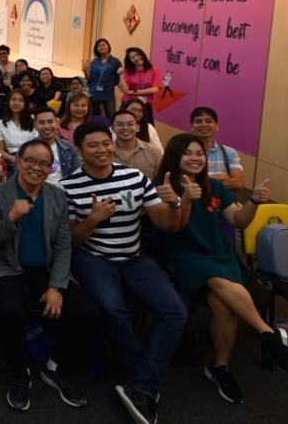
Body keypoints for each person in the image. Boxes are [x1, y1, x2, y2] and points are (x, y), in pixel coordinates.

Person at [61, 122, 188, 424]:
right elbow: (71, 241)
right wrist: (92, 220)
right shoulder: (68, 186)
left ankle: (140, 385)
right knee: (113, 309)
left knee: (175, 312)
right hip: (94, 259)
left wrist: (175, 204)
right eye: (93, 145)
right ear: (79, 150)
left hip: (133, 257)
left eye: (106, 143)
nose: (102, 150)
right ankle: (141, 379)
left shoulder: (134, 177)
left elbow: (166, 224)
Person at [155, 134, 288, 404]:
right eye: (188, 153)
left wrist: (253, 201)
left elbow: (238, 220)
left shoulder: (215, 187)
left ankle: (220, 366)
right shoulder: (163, 186)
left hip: (219, 254)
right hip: (184, 258)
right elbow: (172, 227)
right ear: (174, 156)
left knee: (223, 304)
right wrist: (184, 200)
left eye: (199, 153)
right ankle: (266, 333)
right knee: (217, 280)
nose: (196, 158)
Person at [0, 139, 95, 412]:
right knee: (10, 311)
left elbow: (63, 245)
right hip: (9, 268)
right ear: (18, 162)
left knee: (87, 312)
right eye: (30, 160)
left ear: (50, 168)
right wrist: (11, 218)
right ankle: (20, 372)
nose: (36, 167)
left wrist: (57, 286)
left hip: (47, 270)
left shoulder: (57, 196)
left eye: (44, 163)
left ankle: (55, 367)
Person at [190, 107, 244, 191]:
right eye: (198, 121)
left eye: (208, 121)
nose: (203, 124)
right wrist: (218, 179)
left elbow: (238, 183)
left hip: (222, 199)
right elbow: (180, 181)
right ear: (192, 127)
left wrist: (200, 181)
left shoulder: (229, 152)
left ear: (217, 126)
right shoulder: (182, 151)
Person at [32, 107, 80, 187]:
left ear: (57, 123)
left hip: (64, 191)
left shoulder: (69, 148)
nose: (46, 126)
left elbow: (77, 176)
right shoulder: (26, 149)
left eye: (50, 122)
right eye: (41, 123)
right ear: (35, 125)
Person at [0, 89, 38, 169]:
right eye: (13, 99)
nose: (16, 103)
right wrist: (13, 159)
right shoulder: (1, 124)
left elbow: (38, 145)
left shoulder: (33, 122)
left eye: (20, 100)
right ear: (9, 102)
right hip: (11, 159)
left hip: (31, 157)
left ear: (25, 104)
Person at [112, 110, 162, 180]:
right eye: (120, 124)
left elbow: (160, 180)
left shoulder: (154, 152)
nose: (126, 128)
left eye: (130, 124)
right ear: (113, 128)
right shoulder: (106, 153)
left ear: (137, 127)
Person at [120, 47, 162, 125]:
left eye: (137, 55)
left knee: (146, 127)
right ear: (130, 60)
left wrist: (134, 92)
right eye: (132, 57)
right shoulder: (128, 71)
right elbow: (125, 90)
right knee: (125, 125)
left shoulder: (154, 70)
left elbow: (155, 89)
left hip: (145, 104)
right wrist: (121, 75)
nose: (136, 58)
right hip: (128, 103)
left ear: (142, 55)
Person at [83, 39, 122, 117]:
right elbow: (89, 80)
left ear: (108, 46)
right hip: (94, 94)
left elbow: (117, 81)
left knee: (111, 117)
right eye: (99, 46)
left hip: (108, 94)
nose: (101, 47)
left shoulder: (116, 62)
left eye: (103, 45)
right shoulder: (93, 62)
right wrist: (85, 71)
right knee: (93, 117)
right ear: (96, 49)